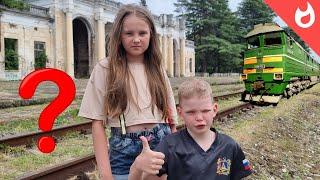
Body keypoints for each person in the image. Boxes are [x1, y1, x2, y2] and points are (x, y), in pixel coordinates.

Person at [78, 4, 178, 180]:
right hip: (124, 145)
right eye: (129, 33)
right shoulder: (106, 68)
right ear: (119, 36)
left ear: (151, 36)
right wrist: (106, 175)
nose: (136, 39)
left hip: (161, 139)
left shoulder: (157, 68)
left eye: (142, 33)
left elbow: (170, 118)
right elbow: (97, 123)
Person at [129, 79, 253, 180]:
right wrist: (138, 166)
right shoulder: (169, 145)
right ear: (180, 113)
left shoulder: (229, 146)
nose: (199, 118)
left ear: (215, 109)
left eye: (205, 111)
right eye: (191, 112)